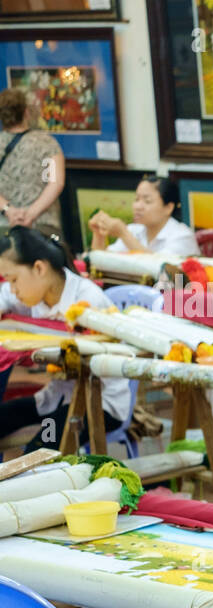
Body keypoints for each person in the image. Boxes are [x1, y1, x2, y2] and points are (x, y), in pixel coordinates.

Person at [0, 227, 129, 451]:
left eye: (14, 280)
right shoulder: (36, 293)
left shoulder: (87, 301)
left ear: (39, 268)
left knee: (39, 449)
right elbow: (4, 296)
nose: (13, 289)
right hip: (57, 397)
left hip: (97, 402)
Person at [0, 89, 65, 237]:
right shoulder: (46, 144)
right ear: (26, 112)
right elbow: (55, 182)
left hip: (4, 227)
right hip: (42, 225)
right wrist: (31, 213)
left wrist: (9, 211)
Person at [90, 175, 200, 257]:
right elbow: (104, 262)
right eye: (137, 199)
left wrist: (124, 234)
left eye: (147, 201)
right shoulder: (133, 230)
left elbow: (161, 270)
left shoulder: (182, 236)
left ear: (168, 208)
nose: (137, 206)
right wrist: (98, 234)